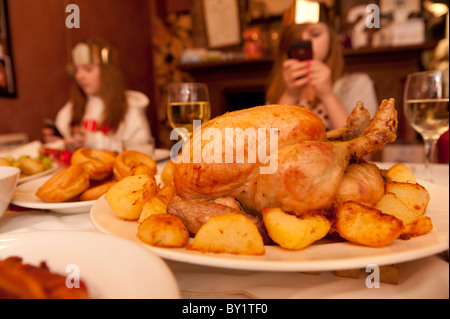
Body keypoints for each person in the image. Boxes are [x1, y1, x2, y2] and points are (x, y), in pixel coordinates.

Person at [266, 0, 379, 130]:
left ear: (331, 38)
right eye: (296, 38)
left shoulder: (357, 84)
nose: (305, 42)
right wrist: (290, 95)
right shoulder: (279, 90)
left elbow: (361, 145)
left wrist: (328, 95)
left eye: (315, 34)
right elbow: (271, 144)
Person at [43, 37, 153, 153]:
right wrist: (57, 143)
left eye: (88, 69)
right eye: (76, 70)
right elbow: (66, 146)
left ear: (108, 72)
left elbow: (143, 151)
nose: (79, 76)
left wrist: (92, 141)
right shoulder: (72, 108)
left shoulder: (129, 107)